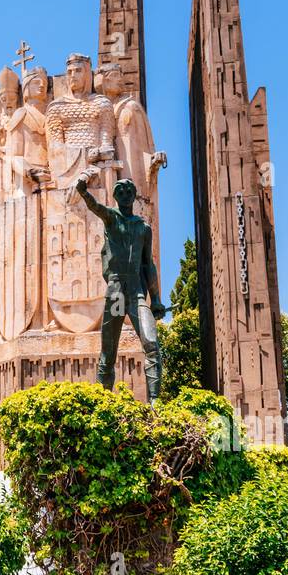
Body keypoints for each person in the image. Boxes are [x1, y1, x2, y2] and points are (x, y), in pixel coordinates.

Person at [74, 172, 166, 402]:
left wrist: (155, 300)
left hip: (135, 291)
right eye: (120, 191)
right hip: (116, 291)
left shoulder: (144, 229)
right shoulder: (111, 218)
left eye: (128, 191)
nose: (125, 194)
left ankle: (155, 402)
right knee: (108, 352)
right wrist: (83, 191)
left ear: (134, 196)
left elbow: (149, 265)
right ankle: (103, 404)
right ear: (115, 197)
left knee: (152, 344)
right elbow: (95, 207)